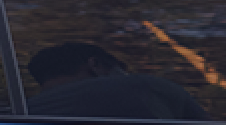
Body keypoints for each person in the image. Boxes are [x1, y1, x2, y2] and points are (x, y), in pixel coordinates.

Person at [24, 41, 209, 120]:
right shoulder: (140, 88)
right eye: (119, 71)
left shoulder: (19, 116)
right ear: (95, 65)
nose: (124, 77)